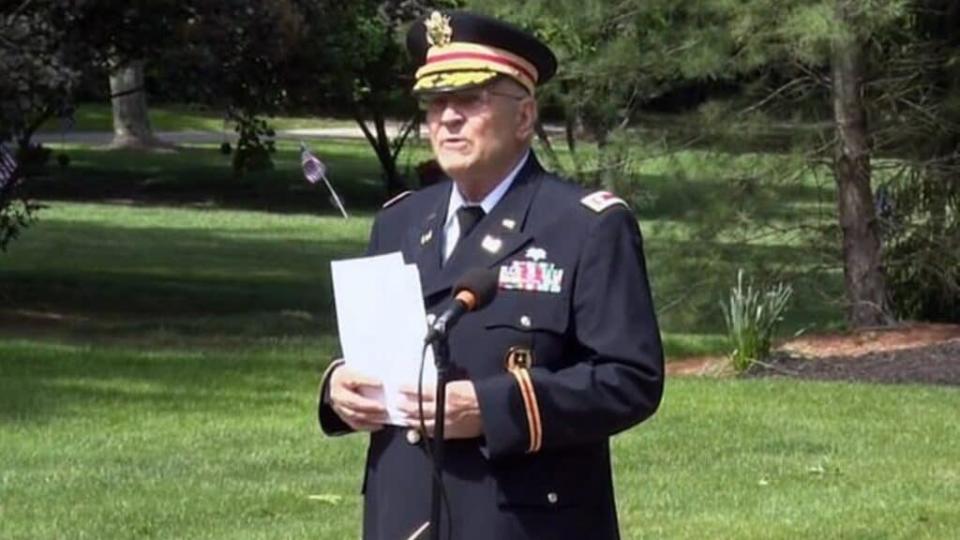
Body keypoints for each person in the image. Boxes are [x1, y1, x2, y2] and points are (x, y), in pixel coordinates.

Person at [317, 10, 664, 540]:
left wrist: (495, 408)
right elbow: (387, 349)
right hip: (403, 512)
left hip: (520, 519)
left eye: (471, 100)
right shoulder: (400, 221)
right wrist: (341, 387)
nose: (448, 118)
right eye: (436, 103)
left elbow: (629, 380)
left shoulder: (585, 225)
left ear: (524, 117)